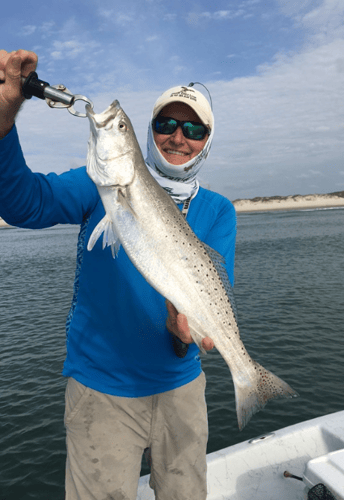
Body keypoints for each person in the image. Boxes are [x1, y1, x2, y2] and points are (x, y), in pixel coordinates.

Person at [0, 49, 237, 500]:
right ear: (148, 133)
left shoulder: (219, 212)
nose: (177, 137)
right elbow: (22, 202)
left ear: (207, 140)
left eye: (193, 129)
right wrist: (5, 116)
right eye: (166, 124)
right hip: (101, 390)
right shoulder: (96, 183)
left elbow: (214, 293)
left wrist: (182, 331)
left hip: (182, 388)